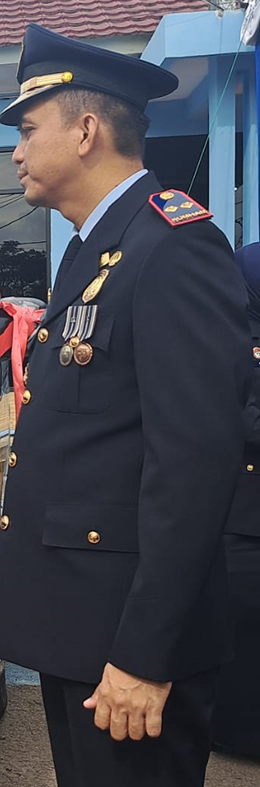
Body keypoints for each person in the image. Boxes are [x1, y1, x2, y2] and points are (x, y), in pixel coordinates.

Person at [0, 24, 251, 787]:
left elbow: (194, 466)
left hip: (129, 648)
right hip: (86, 632)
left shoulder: (172, 247)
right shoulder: (96, 249)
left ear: (87, 131)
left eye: (28, 129)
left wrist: (144, 654)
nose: (15, 151)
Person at [211, 241, 260, 757]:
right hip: (243, 514)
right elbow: (241, 414)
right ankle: (235, 736)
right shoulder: (235, 332)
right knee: (243, 633)